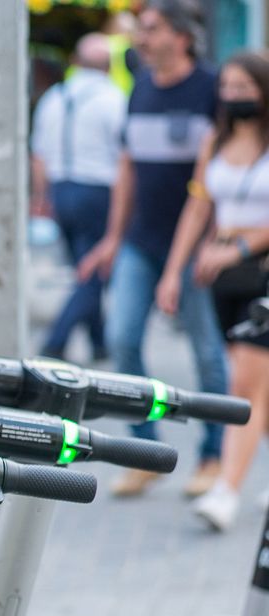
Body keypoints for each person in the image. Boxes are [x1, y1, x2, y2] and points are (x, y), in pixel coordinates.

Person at [79, 0, 228, 500]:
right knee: (122, 340)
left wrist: (200, 251)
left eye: (151, 28)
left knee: (207, 352)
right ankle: (145, 451)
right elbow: (127, 169)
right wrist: (113, 237)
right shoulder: (140, 87)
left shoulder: (211, 90)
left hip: (194, 245)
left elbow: (213, 184)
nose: (141, 38)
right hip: (142, 243)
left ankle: (214, 455)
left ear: (181, 37)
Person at [156, 52, 269, 531]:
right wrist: (173, 270)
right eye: (228, 87)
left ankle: (226, 490)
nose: (234, 96)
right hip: (222, 278)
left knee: (244, 381)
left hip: (261, 272)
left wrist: (239, 247)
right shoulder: (214, 140)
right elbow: (197, 210)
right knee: (257, 383)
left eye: (245, 87)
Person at [31, 33, 128, 362]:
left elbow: (39, 154)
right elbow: (125, 156)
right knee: (93, 271)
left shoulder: (54, 98)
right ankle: (56, 340)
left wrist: (42, 195)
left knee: (83, 267)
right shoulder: (114, 98)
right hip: (98, 191)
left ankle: (98, 342)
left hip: (62, 189)